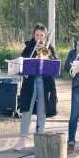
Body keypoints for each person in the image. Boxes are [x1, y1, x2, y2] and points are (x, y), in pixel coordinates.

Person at [15, 23, 59, 151]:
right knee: (26, 111)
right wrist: (34, 53)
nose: (39, 37)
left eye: (42, 35)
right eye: (37, 35)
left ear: (45, 36)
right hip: (30, 83)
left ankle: (39, 140)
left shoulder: (49, 47)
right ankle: (22, 139)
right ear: (34, 35)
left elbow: (56, 66)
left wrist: (49, 55)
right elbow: (22, 63)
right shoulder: (29, 47)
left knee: (42, 111)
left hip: (45, 84)